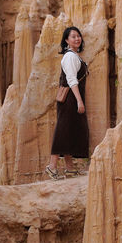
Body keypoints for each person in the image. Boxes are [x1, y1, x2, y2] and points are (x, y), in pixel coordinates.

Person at [45, 25, 89, 179]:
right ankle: (52, 167)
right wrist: (79, 101)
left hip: (72, 99)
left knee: (69, 131)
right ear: (66, 40)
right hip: (70, 99)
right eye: (73, 36)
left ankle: (69, 168)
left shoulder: (75, 56)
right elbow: (71, 80)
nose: (77, 38)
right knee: (63, 131)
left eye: (78, 36)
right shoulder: (70, 56)